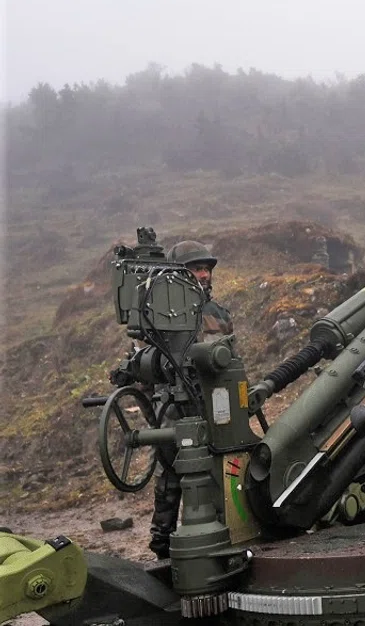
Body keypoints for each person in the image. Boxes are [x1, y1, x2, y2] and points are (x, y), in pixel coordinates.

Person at [148, 240, 233, 560]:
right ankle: (162, 546)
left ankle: (220, 538)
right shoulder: (158, 316)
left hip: (213, 405)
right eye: (196, 268)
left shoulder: (219, 314)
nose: (203, 274)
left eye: (206, 269)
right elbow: (147, 365)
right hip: (173, 410)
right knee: (170, 478)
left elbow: (230, 361)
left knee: (219, 474)